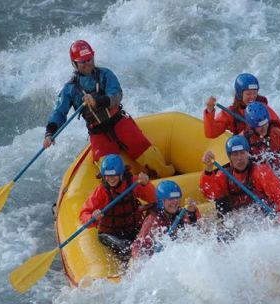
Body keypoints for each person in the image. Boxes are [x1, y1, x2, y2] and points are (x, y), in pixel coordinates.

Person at [43, 40, 174, 178]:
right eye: (83, 61)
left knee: (153, 160)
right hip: (98, 132)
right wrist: (50, 132)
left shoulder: (106, 74)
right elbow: (59, 113)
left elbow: (116, 96)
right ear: (74, 64)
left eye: (90, 59)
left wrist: (97, 101)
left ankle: (168, 176)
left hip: (119, 122)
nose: (88, 63)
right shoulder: (69, 89)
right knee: (111, 173)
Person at [79, 154, 156, 264]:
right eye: (107, 176)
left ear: (121, 174)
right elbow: (83, 214)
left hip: (133, 228)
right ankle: (129, 265)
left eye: (113, 175)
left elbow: (153, 198)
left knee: (150, 246)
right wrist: (92, 217)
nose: (110, 179)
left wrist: (146, 184)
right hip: (111, 233)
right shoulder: (101, 191)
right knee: (127, 249)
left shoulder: (132, 182)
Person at [200, 135, 280, 225]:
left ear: (248, 154)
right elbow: (209, 194)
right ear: (229, 158)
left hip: (263, 215)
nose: (239, 158)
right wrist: (208, 169)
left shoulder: (260, 172)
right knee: (221, 203)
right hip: (237, 218)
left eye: (242, 153)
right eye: (235, 154)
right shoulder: (224, 175)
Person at [203, 73, 280, 139]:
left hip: (263, 148)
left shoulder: (263, 108)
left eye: (254, 93)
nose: (252, 97)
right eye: (248, 94)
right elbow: (211, 133)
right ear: (240, 94)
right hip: (244, 153)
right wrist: (210, 110)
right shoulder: (231, 113)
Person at [131, 180, 200, 259]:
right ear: (161, 201)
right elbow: (138, 245)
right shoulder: (153, 219)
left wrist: (192, 213)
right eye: (170, 199)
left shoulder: (183, 213)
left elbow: (197, 229)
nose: (175, 202)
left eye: (177, 198)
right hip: (158, 259)